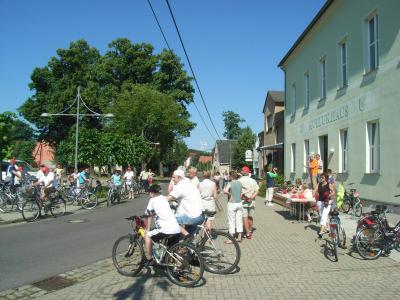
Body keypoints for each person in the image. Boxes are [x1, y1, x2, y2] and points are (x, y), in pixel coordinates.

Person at [143, 184, 181, 266]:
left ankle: (149, 258)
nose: (149, 195)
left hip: (165, 230)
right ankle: (178, 265)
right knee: (173, 250)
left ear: (152, 193)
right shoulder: (164, 198)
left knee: (147, 236)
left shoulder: (152, 200)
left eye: (149, 193)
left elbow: (148, 214)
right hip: (176, 228)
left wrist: (148, 228)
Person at [167, 169, 203, 238]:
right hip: (198, 215)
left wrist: (157, 200)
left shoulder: (181, 185)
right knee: (186, 240)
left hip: (192, 216)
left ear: (179, 177)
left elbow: (169, 198)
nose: (172, 179)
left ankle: (188, 236)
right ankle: (188, 245)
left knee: (169, 219)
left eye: (174, 177)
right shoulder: (188, 183)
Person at [238, 166, 259, 239]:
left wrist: (245, 198)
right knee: (250, 217)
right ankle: (250, 231)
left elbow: (238, 192)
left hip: (243, 201)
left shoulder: (239, 180)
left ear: (243, 172)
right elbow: (257, 191)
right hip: (252, 201)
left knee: (245, 217)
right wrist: (251, 198)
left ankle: (247, 233)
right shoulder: (253, 180)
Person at [225, 171, 243, 242]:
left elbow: (225, 191)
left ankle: (231, 238)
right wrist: (241, 194)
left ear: (231, 177)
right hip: (239, 203)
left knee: (231, 220)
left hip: (232, 203)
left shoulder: (230, 183)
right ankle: (239, 237)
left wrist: (230, 194)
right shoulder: (240, 183)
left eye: (229, 176)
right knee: (239, 220)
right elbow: (247, 190)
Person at [316, 173, 336, 238]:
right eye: (321, 177)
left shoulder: (328, 184)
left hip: (327, 202)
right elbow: (315, 191)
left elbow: (333, 192)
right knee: (321, 214)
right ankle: (327, 227)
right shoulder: (319, 184)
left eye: (323, 178)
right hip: (321, 201)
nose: (321, 179)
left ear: (326, 178)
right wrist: (314, 194)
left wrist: (329, 195)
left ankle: (321, 231)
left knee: (324, 215)